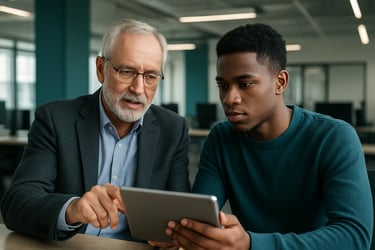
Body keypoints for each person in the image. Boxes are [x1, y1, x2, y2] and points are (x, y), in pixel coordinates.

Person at [151, 23, 373, 249]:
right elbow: (200, 217)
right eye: (223, 85)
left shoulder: (334, 138)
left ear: (281, 82)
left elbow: (354, 236)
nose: (229, 98)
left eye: (245, 84)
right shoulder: (221, 138)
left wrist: (251, 245)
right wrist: (183, 233)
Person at [0, 18, 191, 242]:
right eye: (126, 71)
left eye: (150, 76)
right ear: (101, 69)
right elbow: (16, 204)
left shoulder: (173, 129)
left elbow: (181, 213)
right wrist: (72, 209)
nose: (139, 88)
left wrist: (175, 235)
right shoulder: (55, 120)